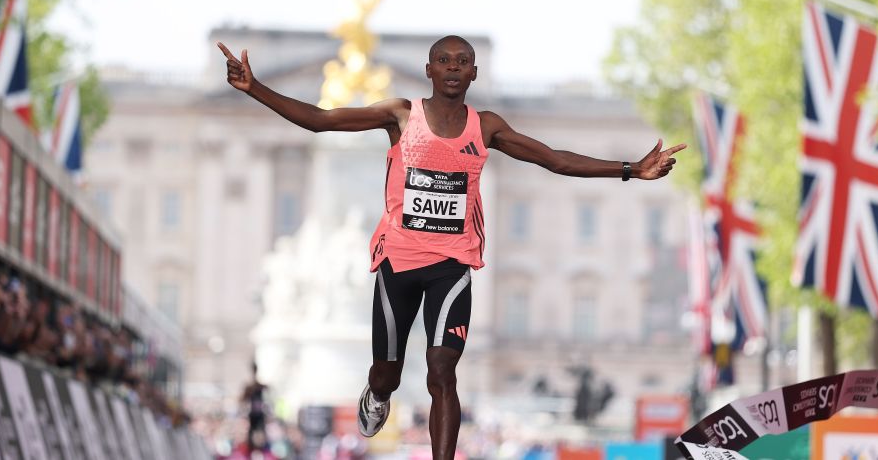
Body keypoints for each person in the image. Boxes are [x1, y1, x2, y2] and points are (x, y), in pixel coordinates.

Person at [217, 36, 685, 460]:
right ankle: (376, 394)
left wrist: (630, 169)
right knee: (388, 373)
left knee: (442, 371)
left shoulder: (485, 128)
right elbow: (321, 121)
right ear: (429, 70)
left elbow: (554, 159)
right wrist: (254, 87)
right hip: (398, 264)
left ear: (474, 74)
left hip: (451, 266)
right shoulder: (401, 115)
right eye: (444, 60)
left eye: (463, 61)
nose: (454, 68)